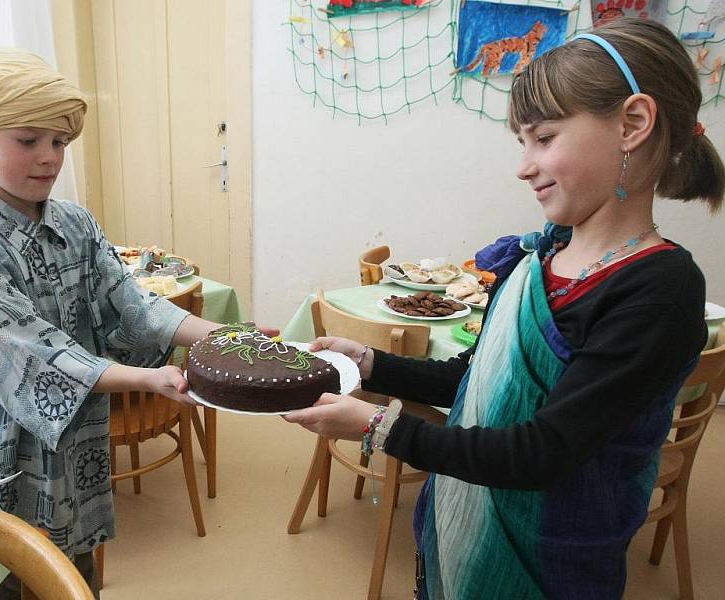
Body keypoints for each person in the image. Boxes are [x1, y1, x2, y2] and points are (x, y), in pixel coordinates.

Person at [285, 18, 724, 599]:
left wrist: (376, 426)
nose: (523, 165)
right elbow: (467, 379)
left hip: (550, 568)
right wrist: (368, 364)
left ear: (633, 124)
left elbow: (541, 454)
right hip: (457, 537)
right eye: (522, 143)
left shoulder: (660, 287)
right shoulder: (542, 260)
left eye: (544, 138)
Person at [0, 48, 261, 599]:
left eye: (59, 142)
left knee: (74, 572)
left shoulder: (74, 222)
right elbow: (36, 354)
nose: (50, 158)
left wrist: (228, 337)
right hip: (5, 450)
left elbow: (132, 304)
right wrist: (148, 379)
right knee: (15, 581)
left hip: (76, 445)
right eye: (28, 140)